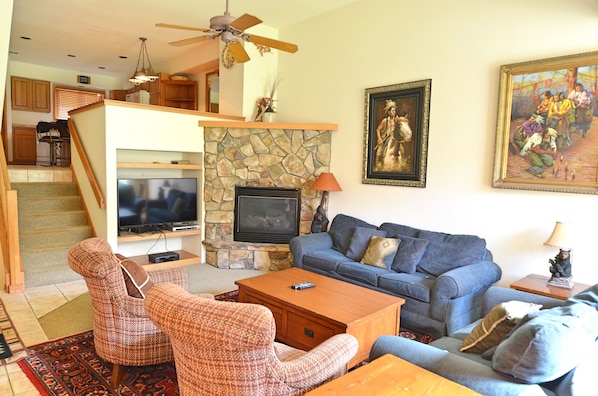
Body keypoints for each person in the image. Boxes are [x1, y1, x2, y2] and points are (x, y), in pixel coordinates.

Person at [374, 100, 401, 165]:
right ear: (388, 112)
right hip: (386, 138)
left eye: (394, 110)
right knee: (379, 152)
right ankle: (378, 164)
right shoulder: (385, 121)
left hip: (395, 138)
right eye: (392, 110)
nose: (393, 112)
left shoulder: (397, 120)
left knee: (401, 149)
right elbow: (378, 129)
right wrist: (379, 138)